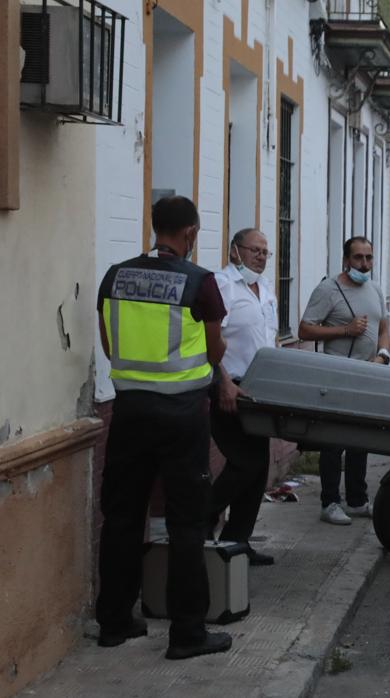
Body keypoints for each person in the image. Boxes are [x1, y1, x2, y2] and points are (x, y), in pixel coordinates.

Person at [95, 195, 232, 659]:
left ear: (156, 227)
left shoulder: (116, 276)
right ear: (191, 233)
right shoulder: (201, 283)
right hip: (183, 417)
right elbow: (215, 355)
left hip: (129, 413)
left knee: (121, 516)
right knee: (187, 523)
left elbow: (110, 344)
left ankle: (114, 622)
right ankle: (187, 633)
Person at [298, 237, 390, 526]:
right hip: (336, 376)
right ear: (345, 260)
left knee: (359, 439)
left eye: (369, 258)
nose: (364, 264)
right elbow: (304, 329)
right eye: (358, 258)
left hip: (368, 374)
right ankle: (330, 502)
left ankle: (357, 500)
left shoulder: (375, 289)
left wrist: (384, 355)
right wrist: (345, 330)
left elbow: (384, 328)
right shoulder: (329, 289)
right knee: (333, 441)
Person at [206, 228, 279, 565]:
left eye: (266, 252)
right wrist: (222, 382)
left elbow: (269, 342)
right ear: (235, 251)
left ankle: (238, 543)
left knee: (258, 467)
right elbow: (209, 339)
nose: (261, 257)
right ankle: (201, 520)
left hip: (260, 393)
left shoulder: (265, 290)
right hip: (229, 388)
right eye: (255, 250)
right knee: (244, 464)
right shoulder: (222, 285)